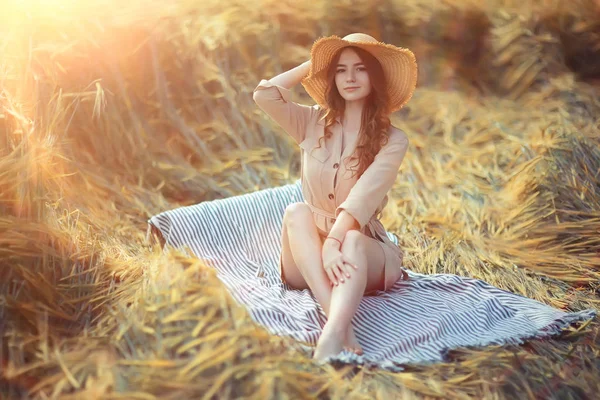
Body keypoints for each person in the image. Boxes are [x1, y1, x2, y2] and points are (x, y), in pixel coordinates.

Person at [252, 33, 417, 361]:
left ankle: (330, 337)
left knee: (353, 239)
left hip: (358, 255)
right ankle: (340, 324)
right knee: (297, 211)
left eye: (360, 68)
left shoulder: (393, 140)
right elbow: (265, 96)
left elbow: (362, 198)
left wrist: (334, 242)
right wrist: (316, 64)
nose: (350, 78)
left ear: (375, 77)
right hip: (307, 258)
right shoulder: (311, 121)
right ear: (332, 77)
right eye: (341, 70)